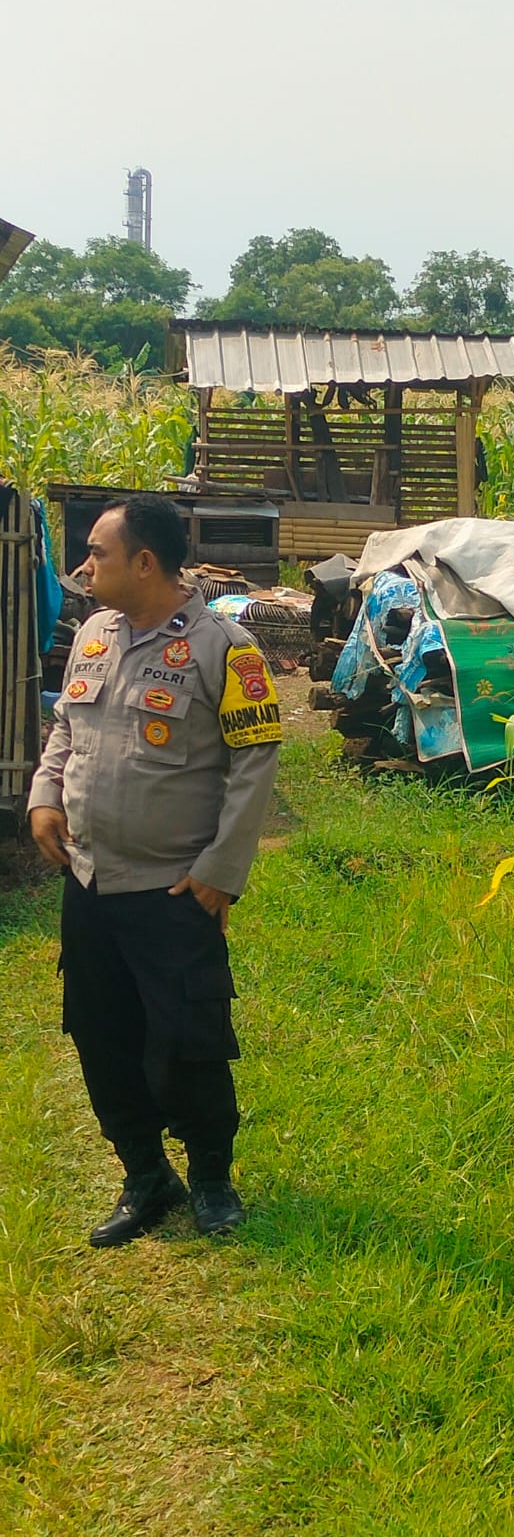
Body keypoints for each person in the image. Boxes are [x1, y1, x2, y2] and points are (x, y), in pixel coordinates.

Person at [27, 494, 281, 1246]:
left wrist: (221, 870)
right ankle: (145, 1174)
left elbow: (255, 762)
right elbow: (66, 725)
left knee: (188, 1041)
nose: (84, 567)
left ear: (144, 563)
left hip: (173, 888)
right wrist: (45, 794)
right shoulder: (93, 634)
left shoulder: (224, 648)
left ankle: (211, 1178)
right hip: (91, 883)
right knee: (100, 1034)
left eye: (97, 553)